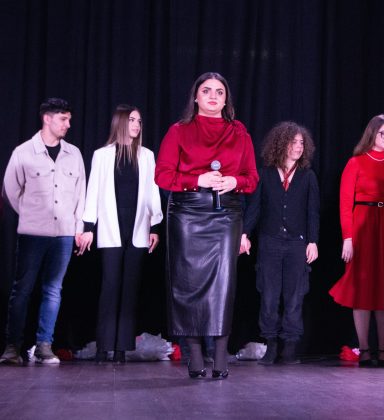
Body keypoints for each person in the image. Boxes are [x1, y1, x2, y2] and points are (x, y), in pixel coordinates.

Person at [155, 72, 259, 379]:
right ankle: (196, 356)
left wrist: (234, 181)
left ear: (226, 100)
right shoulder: (179, 130)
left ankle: (221, 356)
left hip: (226, 214)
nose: (213, 96)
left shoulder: (239, 132)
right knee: (187, 285)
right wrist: (195, 180)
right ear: (196, 97)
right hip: (187, 212)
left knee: (223, 285)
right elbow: (162, 175)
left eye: (219, 92)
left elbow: (252, 178)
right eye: (206, 90)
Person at [1, 98, 86, 365]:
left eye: (69, 119)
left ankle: (44, 345)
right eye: (63, 119)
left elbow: (81, 194)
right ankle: (13, 347)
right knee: (23, 290)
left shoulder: (73, 154)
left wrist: (78, 227)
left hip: (63, 234)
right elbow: (11, 190)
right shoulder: (24, 152)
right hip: (33, 233)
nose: (68, 124)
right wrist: (31, 214)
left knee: (53, 290)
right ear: (47, 119)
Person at [77, 105, 163, 364]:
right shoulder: (102, 155)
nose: (136, 125)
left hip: (138, 227)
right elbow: (93, 191)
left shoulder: (146, 156)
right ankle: (104, 346)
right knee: (110, 285)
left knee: (130, 288)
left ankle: (122, 348)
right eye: (132, 120)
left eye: (139, 121)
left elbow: (153, 191)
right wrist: (88, 227)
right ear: (120, 123)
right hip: (111, 227)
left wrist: (155, 226)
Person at [329, 114, 384, 367]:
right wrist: (348, 237)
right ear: (372, 134)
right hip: (363, 227)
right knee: (363, 289)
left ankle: (383, 350)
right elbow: (345, 204)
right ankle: (364, 348)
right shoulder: (355, 163)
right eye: (382, 133)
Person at [243, 121, 319, 365]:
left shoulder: (307, 176)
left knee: (295, 296)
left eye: (301, 143)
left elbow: (312, 212)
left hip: (297, 243)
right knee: (269, 295)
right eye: (293, 142)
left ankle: (289, 347)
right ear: (281, 144)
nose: (298, 147)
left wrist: (313, 241)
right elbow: (255, 207)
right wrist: (244, 233)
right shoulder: (266, 174)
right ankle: (271, 344)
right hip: (270, 241)